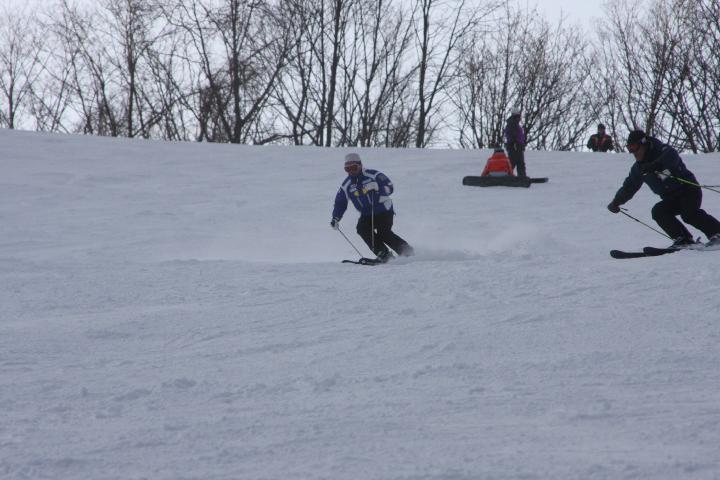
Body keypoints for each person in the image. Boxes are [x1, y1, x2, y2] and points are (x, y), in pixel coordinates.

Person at [607, 129, 720, 248]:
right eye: (629, 148)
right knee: (659, 211)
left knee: (689, 214)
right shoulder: (639, 168)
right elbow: (629, 187)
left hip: (688, 191)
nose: (633, 152)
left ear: (644, 144)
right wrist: (616, 202)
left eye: (634, 147)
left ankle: (717, 233)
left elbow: (671, 157)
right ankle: (683, 239)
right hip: (671, 198)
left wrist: (656, 165)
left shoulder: (663, 151)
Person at [331, 153, 414, 262]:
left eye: (353, 168)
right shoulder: (347, 185)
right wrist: (336, 218)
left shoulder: (373, 175)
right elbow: (340, 202)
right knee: (362, 229)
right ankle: (383, 254)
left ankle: (407, 252)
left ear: (360, 165)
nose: (351, 171)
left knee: (383, 232)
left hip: (383, 210)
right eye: (347, 169)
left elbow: (390, 187)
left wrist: (378, 187)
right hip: (366, 214)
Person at [503, 109, 526, 177]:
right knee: (514, 161)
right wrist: (515, 142)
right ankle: (508, 175)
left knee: (518, 162)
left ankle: (521, 176)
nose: (519, 118)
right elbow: (511, 134)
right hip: (514, 145)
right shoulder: (512, 123)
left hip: (517, 145)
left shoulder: (514, 123)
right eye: (518, 116)